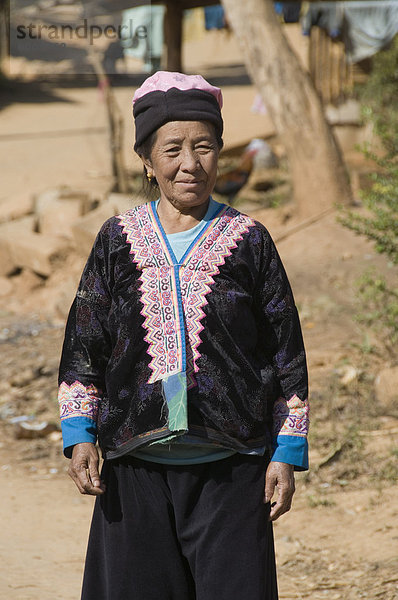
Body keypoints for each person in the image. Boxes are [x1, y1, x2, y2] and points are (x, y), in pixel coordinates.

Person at [58, 71, 309, 600]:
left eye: (205, 147)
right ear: (148, 161)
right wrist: (80, 434)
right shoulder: (116, 241)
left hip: (233, 468)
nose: (190, 163)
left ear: (220, 153)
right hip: (135, 469)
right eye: (172, 149)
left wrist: (287, 450)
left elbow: (286, 351)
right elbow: (85, 344)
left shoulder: (249, 242)